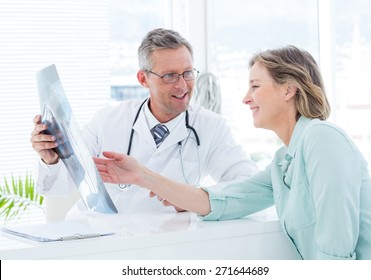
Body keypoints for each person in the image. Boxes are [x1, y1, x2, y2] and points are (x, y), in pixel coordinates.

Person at [93, 45, 371, 259]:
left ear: (288, 90)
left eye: (255, 86)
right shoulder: (283, 162)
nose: (246, 98)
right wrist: (142, 175)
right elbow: (224, 201)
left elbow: (336, 245)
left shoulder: (322, 138)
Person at [30, 28, 258, 215]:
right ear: (143, 79)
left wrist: (193, 199)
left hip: (161, 241)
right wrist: (50, 160)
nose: (182, 85)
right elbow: (58, 188)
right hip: (98, 232)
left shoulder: (211, 126)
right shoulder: (108, 120)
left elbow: (247, 185)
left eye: (188, 73)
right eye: (169, 76)